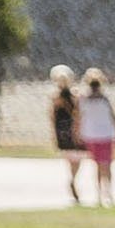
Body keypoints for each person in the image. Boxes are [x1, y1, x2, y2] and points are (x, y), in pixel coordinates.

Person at [81, 67, 115, 203]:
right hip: (105, 134)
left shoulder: (85, 99)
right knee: (107, 165)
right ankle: (107, 193)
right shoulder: (103, 99)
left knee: (99, 166)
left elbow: (79, 118)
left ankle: (100, 194)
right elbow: (113, 117)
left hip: (93, 135)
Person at [52, 63, 83, 203]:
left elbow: (52, 117)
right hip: (72, 130)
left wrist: (53, 134)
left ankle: (72, 181)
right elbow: (78, 114)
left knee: (70, 160)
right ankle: (73, 180)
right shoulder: (74, 96)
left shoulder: (56, 98)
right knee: (77, 160)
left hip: (61, 131)